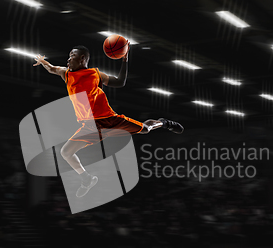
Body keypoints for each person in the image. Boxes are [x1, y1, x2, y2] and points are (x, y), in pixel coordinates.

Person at [33, 44, 183, 197]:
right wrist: (43, 62)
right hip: (90, 126)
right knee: (66, 152)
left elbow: (119, 82)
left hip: (110, 119)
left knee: (145, 129)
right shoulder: (66, 74)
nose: (68, 59)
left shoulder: (95, 73)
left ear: (82, 58)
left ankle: (163, 122)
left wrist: (125, 60)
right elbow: (52, 68)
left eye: (72, 56)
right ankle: (87, 179)